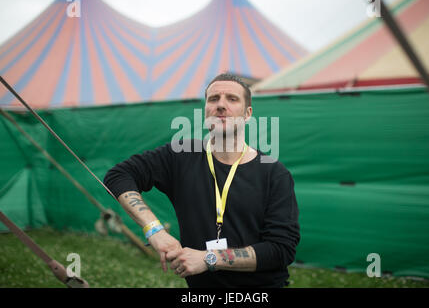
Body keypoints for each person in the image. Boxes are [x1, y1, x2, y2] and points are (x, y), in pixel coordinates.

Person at [103, 73, 300, 287]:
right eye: (214, 99)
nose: (221, 105)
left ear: (247, 113)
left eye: (232, 99)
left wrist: (209, 259)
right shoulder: (181, 156)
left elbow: (281, 249)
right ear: (205, 110)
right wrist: (154, 231)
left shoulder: (274, 173)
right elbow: (119, 176)